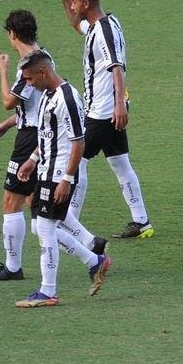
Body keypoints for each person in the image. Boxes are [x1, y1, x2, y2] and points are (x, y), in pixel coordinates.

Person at [0, 11, 106, 281]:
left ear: (12, 34)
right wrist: (6, 125)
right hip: (40, 137)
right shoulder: (44, 59)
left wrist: (2, 71)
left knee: (14, 203)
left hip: (33, 140)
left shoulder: (28, 67)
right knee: (36, 205)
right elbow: (35, 108)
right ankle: (91, 244)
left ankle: (14, 267)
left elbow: (9, 100)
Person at [53, 0, 153, 238]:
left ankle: (70, 222)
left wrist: (119, 106)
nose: (73, 6)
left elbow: (116, 68)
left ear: (86, 4)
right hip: (106, 107)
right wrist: (65, 0)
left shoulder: (105, 31)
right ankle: (141, 221)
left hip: (103, 110)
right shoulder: (101, 25)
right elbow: (77, 25)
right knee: (120, 161)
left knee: (78, 160)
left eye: (75, 2)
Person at [13, 51, 111, 308]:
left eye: (30, 78)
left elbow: (79, 142)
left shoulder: (67, 98)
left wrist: (67, 179)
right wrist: (32, 160)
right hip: (45, 171)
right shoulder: (47, 94)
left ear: (43, 72)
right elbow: (47, 135)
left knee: (45, 229)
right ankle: (94, 261)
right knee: (40, 227)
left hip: (59, 174)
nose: (29, 84)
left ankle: (48, 291)